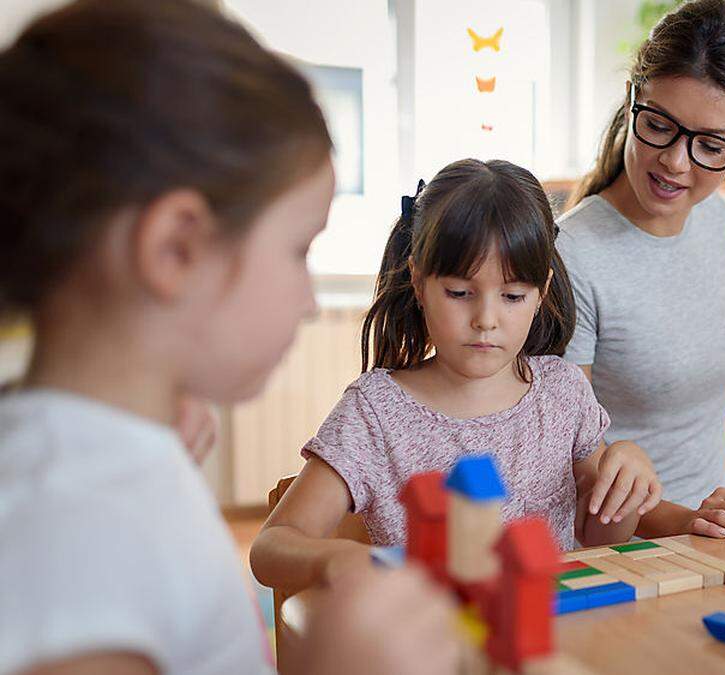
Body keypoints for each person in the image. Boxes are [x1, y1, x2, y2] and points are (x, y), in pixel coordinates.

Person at [0, 1, 455, 673]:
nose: (307, 301)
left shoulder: (83, 460)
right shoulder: (74, 530)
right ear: (177, 249)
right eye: (299, 249)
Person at [251, 159, 725, 596]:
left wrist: (631, 482)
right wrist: (343, 563)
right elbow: (273, 547)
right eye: (460, 293)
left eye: (512, 296)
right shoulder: (376, 411)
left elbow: (601, 539)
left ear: (542, 289)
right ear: (418, 279)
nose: (486, 319)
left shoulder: (563, 392)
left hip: (553, 643)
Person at [557, 0, 725, 529]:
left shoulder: (714, 217)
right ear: (634, 100)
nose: (676, 163)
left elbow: (706, 344)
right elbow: (570, 455)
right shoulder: (572, 254)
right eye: (659, 124)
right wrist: (689, 522)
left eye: (710, 145)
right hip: (630, 544)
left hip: (716, 527)